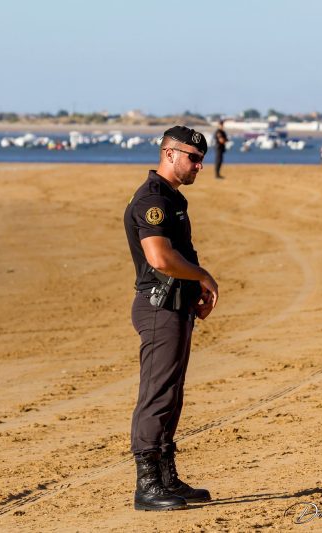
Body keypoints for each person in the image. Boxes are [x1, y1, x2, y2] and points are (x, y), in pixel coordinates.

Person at [123, 126, 219, 511]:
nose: (199, 165)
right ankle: (147, 485)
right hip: (159, 308)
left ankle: (166, 477)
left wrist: (195, 289)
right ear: (169, 153)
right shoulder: (152, 199)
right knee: (157, 395)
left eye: (202, 158)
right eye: (193, 157)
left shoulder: (173, 198)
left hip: (176, 306)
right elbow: (159, 258)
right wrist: (204, 276)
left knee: (172, 394)